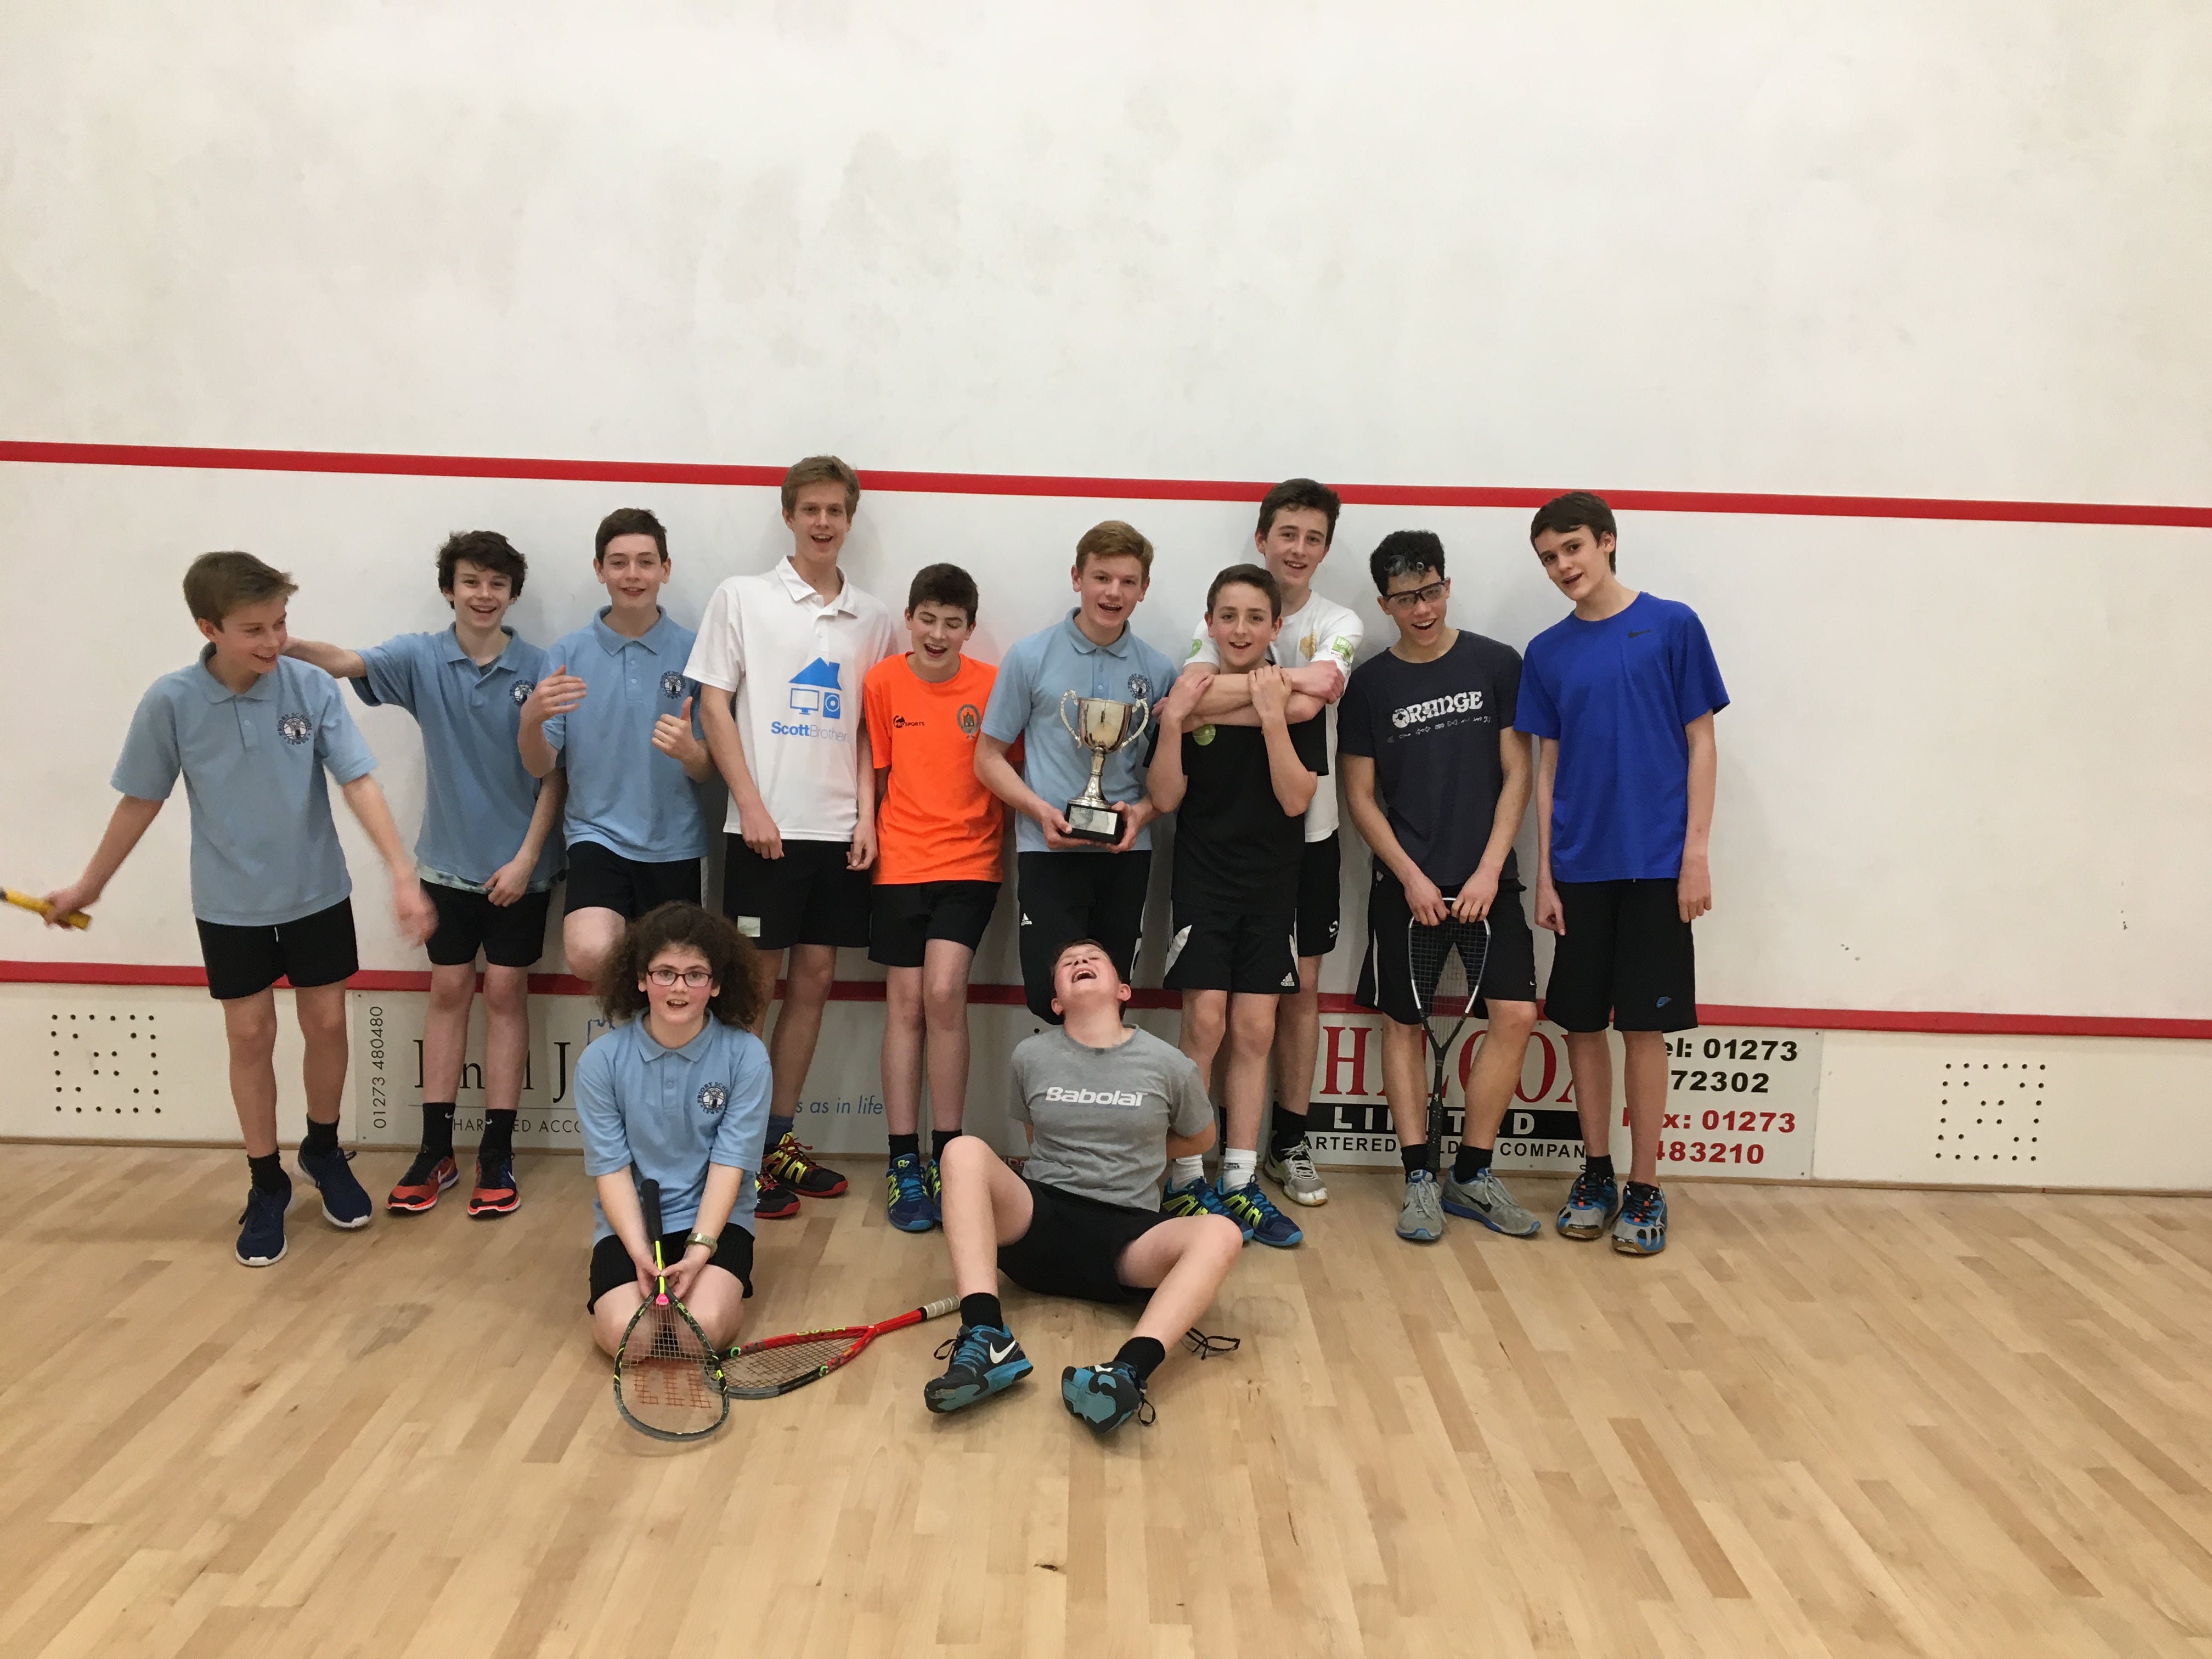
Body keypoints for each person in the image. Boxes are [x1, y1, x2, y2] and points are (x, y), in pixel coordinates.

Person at [44, 551, 436, 1267]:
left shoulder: (310, 686)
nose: (274, 640)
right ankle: (266, 1181)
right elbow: (140, 800)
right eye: (254, 629)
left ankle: (323, 1149)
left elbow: (358, 781)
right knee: (250, 1036)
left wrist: (402, 873)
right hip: (230, 904)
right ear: (209, 629)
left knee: (327, 1023)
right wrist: (90, 884)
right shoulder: (170, 702)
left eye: (280, 623)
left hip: (317, 892)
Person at [284, 529, 565, 1219]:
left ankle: (496, 1154)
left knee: (506, 993)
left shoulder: (543, 666)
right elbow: (344, 661)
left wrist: (527, 859)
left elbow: (557, 776)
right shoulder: (418, 657)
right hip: (445, 864)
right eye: (471, 581)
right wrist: (277, 642)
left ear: (513, 595)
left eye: (497, 584)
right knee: (449, 990)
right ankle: (435, 1150)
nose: (483, 594)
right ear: (449, 589)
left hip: (521, 869)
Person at [685, 455, 900, 1220]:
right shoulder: (741, 597)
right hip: (763, 832)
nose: (822, 522)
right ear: (789, 515)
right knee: (752, 992)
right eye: (810, 509)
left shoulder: (876, 618)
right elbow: (713, 706)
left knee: (813, 982)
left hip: (838, 835)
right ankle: (729, 1156)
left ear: (850, 519)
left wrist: (867, 818)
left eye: (835, 510)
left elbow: (873, 729)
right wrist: (750, 805)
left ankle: (774, 1143)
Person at [1518, 492, 1728, 1257]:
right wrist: (1546, 874)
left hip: (1656, 867)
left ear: (1607, 541)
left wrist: (1695, 855)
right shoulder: (1547, 652)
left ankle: (1645, 1186)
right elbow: (1548, 769)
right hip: (1580, 870)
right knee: (1582, 1025)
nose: (1562, 566)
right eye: (1548, 557)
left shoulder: (1672, 625)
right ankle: (1597, 1173)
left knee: (1643, 1027)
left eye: (1572, 547)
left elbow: (1701, 743)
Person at [923, 939, 1244, 1434]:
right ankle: (987, 1337)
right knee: (961, 1151)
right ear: (1056, 1002)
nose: (1080, 961)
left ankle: (1126, 1374)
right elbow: (1035, 1137)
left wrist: (1143, 1155)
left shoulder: (1169, 1064)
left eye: (1094, 958)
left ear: (1123, 990)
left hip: (1128, 1239)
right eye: (1068, 962)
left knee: (1223, 1232)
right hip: (1039, 1225)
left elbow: (1201, 1138)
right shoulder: (1030, 1056)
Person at [1339, 531, 1543, 1244]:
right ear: (1384, 604)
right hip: (1407, 886)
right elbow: (1359, 795)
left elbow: (1519, 772)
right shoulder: (1370, 685)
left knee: (1515, 1015)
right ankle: (1419, 1178)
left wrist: (1489, 868)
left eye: (1430, 592)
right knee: (1402, 1026)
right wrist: (1411, 876)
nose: (1421, 609)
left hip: (1491, 879)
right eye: (1405, 599)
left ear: (1447, 587)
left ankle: (1473, 1173)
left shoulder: (1497, 663)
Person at [1177, 478, 1364, 1206]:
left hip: (1308, 834)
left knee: (1297, 994)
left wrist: (1250, 694)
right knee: (1216, 1014)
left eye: (1314, 538)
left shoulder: (1340, 619)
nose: (1299, 548)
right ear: (1263, 538)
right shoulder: (1225, 611)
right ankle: (1207, 1162)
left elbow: (1318, 697)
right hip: (1225, 844)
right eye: (1287, 533)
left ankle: (1288, 1141)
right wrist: (1279, 693)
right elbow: (1189, 698)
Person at [1147, 563, 1327, 1250]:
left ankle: (1241, 1180)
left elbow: (1295, 798)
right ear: (1210, 623)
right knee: (1206, 1025)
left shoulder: (1294, 700)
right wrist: (1176, 722)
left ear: (1276, 626)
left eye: (1256, 617)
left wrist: (1273, 716)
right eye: (1229, 616)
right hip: (1203, 881)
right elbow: (1166, 798)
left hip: (1273, 886)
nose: (1242, 629)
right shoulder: (1187, 693)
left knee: (1255, 1031)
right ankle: (1186, 1178)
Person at [976, 521, 1180, 1022]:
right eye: (1101, 578)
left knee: (1112, 1001)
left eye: (1128, 581)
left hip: (1125, 856)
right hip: (1047, 850)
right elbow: (987, 758)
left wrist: (1142, 814)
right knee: (1052, 1001)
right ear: (1077, 578)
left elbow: (1168, 779)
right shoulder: (1029, 656)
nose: (1113, 593)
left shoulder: (1159, 671)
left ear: (1144, 589)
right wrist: (1039, 811)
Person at [861, 563, 1004, 1232]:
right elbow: (876, 768)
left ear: (970, 629)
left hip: (971, 863)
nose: (938, 633)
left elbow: (1006, 768)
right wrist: (866, 827)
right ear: (909, 619)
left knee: (944, 993)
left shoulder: (993, 685)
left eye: (952, 623)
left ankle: (949, 1153)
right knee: (906, 1004)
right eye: (928, 619)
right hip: (899, 862)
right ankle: (903, 1161)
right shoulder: (882, 681)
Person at [518, 507, 713, 988]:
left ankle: (648, 1029)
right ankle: (629, 1026)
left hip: (675, 842)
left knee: (672, 978)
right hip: (596, 836)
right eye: (619, 562)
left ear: (666, 569)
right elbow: (542, 765)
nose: (633, 575)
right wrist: (530, 722)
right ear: (599, 569)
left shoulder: (697, 652)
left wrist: (691, 753)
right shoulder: (569, 653)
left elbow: (708, 770)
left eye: (646, 562)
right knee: (591, 953)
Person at [578, 902, 770, 1356]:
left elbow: (730, 1166)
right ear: (641, 980)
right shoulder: (600, 1062)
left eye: (695, 975)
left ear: (716, 984)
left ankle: (717, 1296)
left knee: (696, 1335)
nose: (679, 987)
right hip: (631, 1228)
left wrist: (699, 1251)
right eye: (665, 973)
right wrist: (640, 1254)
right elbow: (612, 1172)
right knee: (631, 1341)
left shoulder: (747, 1057)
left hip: (716, 1224)